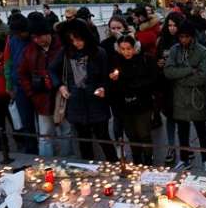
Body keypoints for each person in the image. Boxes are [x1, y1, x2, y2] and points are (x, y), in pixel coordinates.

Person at [52, 19, 117, 162]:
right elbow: (52, 70)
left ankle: (115, 165)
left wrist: (103, 88)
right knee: (84, 140)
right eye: (72, 40)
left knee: (103, 137)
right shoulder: (65, 53)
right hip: (76, 102)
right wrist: (61, 86)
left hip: (96, 102)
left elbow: (107, 75)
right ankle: (89, 168)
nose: (76, 43)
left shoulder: (98, 52)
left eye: (79, 39)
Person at [18, 16, 72, 157]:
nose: (37, 40)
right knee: (45, 135)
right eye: (34, 37)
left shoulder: (62, 46)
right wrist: (31, 94)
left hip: (62, 96)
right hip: (41, 98)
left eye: (39, 36)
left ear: (48, 33)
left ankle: (67, 160)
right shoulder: (29, 50)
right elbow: (23, 74)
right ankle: (46, 164)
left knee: (66, 131)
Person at [164, 21, 206, 171]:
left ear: (192, 37)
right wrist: (190, 70)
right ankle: (184, 159)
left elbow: (204, 76)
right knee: (182, 131)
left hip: (196, 97)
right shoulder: (174, 50)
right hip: (180, 98)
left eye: (186, 37)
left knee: (201, 130)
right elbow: (168, 71)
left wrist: (180, 78)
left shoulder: (202, 51)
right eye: (181, 37)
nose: (183, 40)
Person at [111, 34, 158, 165]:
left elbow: (153, 79)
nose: (126, 52)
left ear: (135, 48)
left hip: (143, 103)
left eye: (129, 48)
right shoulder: (116, 60)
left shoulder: (145, 59)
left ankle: (148, 159)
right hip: (124, 105)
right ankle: (137, 159)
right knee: (131, 135)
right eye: (123, 49)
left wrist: (135, 85)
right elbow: (113, 85)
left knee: (144, 133)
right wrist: (113, 80)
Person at [4, 14, 37, 154]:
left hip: (35, 84)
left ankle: (44, 148)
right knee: (26, 120)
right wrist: (9, 84)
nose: (18, 35)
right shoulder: (13, 39)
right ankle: (31, 149)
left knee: (42, 121)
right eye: (16, 33)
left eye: (20, 32)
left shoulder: (34, 39)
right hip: (19, 86)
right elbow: (8, 62)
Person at [155, 12, 185, 164]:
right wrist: (159, 64)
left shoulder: (186, 41)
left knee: (183, 119)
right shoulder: (162, 40)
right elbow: (158, 58)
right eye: (170, 25)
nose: (172, 28)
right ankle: (171, 146)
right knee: (170, 118)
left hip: (181, 85)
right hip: (166, 85)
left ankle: (185, 147)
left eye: (175, 25)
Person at [100, 16, 133, 145]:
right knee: (117, 118)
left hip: (130, 85)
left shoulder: (131, 41)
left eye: (118, 28)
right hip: (114, 86)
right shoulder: (105, 44)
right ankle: (119, 143)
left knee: (131, 118)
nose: (116, 31)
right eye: (113, 28)